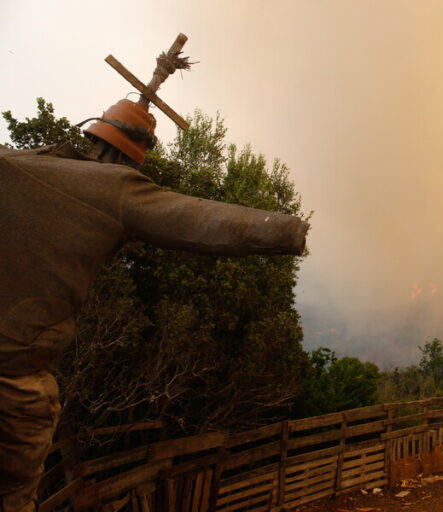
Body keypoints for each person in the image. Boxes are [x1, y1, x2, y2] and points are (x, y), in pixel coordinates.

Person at [0, 100, 310, 512]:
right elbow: (203, 221)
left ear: (92, 134)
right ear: (133, 157)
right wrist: (289, 232)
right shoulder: (114, 188)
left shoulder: (12, 161)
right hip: (14, 385)